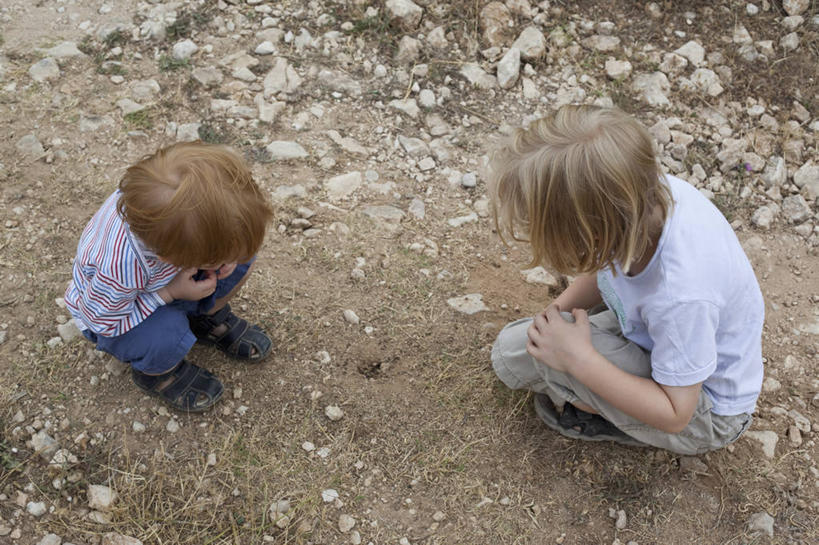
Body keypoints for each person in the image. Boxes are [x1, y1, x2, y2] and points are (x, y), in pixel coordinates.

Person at [488, 105, 764, 455]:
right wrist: (555, 314)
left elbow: (677, 413)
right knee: (512, 353)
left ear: (594, 232)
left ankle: (610, 417)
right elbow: (604, 268)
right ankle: (597, 384)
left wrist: (580, 360)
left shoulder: (681, 294)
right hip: (654, 338)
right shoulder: (639, 202)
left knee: (539, 360)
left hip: (704, 412)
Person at [65, 141, 274, 412]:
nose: (225, 263)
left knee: (245, 259)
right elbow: (102, 322)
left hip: (168, 275)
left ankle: (204, 318)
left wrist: (228, 260)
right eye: (217, 258)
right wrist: (169, 294)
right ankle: (158, 374)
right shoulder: (120, 269)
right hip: (115, 313)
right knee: (168, 331)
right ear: (169, 258)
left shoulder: (163, 215)